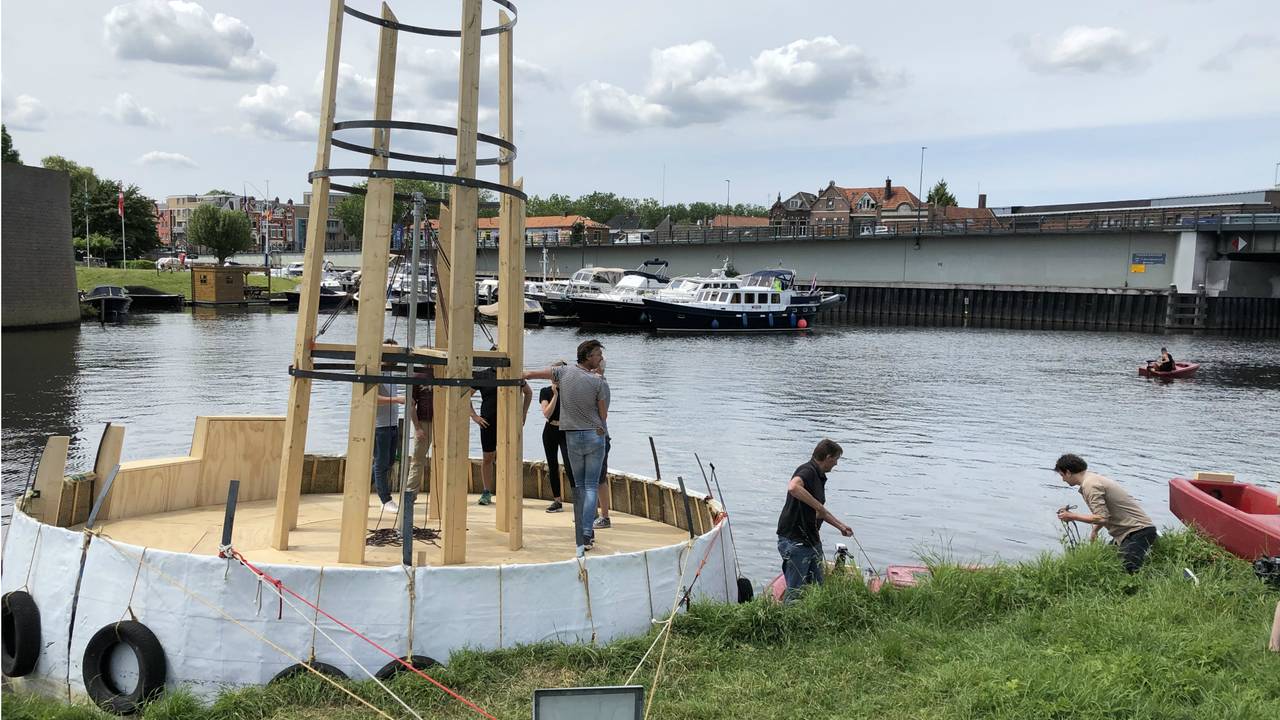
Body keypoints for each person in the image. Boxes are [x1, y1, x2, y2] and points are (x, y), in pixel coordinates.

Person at [524, 339, 610, 555]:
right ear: (589, 356)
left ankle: (581, 530)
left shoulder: (563, 372)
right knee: (591, 486)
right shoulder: (599, 382)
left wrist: (523, 375)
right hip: (594, 436)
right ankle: (586, 532)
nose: (601, 358)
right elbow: (603, 415)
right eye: (598, 354)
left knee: (579, 486)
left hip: (571, 436)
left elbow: (534, 374)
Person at [775, 439, 854, 601]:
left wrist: (841, 526)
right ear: (827, 457)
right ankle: (788, 621)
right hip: (795, 541)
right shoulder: (808, 470)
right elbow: (793, 487)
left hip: (811, 540)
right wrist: (817, 505)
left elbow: (820, 511)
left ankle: (812, 621)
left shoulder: (819, 476)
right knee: (796, 592)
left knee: (817, 586)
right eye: (836, 459)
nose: (836, 464)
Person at [1053, 453, 1158, 573]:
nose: (1063, 480)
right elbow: (1105, 513)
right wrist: (1095, 530)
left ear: (1068, 472)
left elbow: (1102, 518)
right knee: (1107, 563)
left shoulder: (1090, 485)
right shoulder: (1092, 479)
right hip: (1129, 533)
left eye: (1062, 475)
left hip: (1138, 532)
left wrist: (1072, 516)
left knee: (1127, 570)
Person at [467, 366, 532, 506]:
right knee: (488, 457)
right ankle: (486, 492)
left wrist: (523, 413)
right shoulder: (483, 375)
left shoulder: (514, 373)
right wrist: (474, 416)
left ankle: (510, 492)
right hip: (487, 422)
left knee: (509, 457)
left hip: (509, 423)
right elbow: (466, 395)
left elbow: (528, 393)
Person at [372, 339, 406, 514]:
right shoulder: (376, 371)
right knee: (381, 463)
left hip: (392, 424)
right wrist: (397, 399)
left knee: (390, 461)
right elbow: (373, 398)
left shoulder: (391, 372)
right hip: (380, 426)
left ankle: (363, 485)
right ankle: (385, 499)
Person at [539, 362, 575, 513]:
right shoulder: (545, 391)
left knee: (570, 465)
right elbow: (546, 413)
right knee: (552, 465)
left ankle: (578, 502)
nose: (555, 377)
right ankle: (557, 501)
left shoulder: (572, 391)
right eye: (553, 374)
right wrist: (555, 395)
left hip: (566, 430)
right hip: (550, 430)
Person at [405, 363, 434, 516]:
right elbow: (411, 404)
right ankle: (410, 495)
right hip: (424, 422)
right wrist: (417, 427)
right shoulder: (417, 377)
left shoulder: (444, 374)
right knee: (417, 459)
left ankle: (441, 495)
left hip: (441, 422)